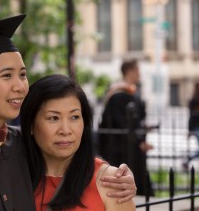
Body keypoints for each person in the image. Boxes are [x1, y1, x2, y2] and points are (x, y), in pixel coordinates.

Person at [0, 15, 136, 211]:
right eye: (7, 75)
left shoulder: (22, 145)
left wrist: (120, 179)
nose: (20, 86)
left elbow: (72, 161)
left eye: (22, 74)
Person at [20, 74, 136, 211]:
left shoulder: (110, 183)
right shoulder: (14, 176)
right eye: (53, 118)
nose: (65, 130)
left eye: (74, 117)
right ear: (31, 125)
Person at [98, 59, 154, 196]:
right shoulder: (118, 95)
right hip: (122, 148)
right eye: (137, 70)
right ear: (129, 71)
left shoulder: (129, 93)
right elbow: (122, 124)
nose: (139, 74)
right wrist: (139, 141)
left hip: (131, 146)